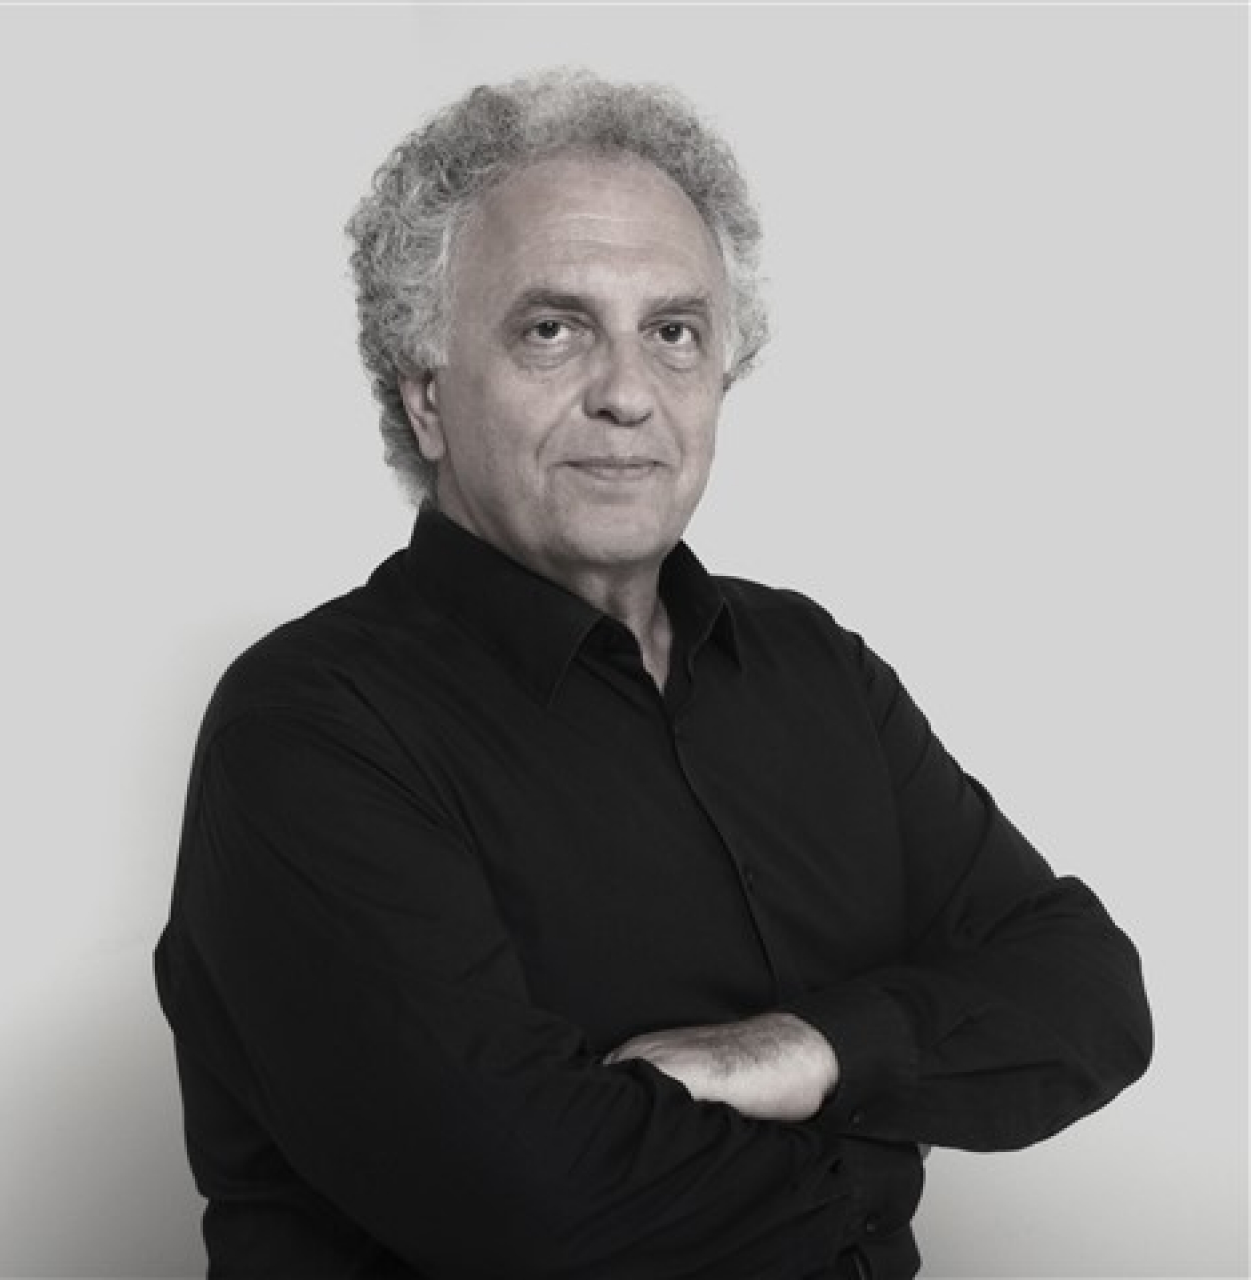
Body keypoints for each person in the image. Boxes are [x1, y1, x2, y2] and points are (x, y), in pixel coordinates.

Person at [155, 70, 1152, 1280]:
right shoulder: (307, 729)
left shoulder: (813, 670)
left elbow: (1089, 992)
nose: (627, 394)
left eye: (672, 332)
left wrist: (808, 1050)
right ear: (426, 397)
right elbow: (534, 1204)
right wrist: (881, 1145)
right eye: (551, 329)